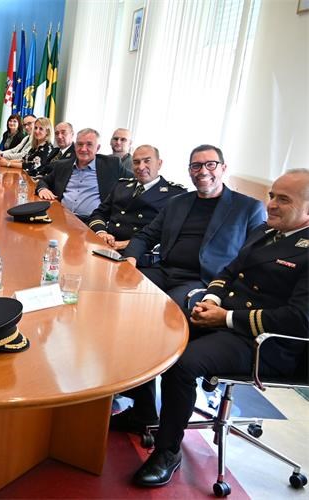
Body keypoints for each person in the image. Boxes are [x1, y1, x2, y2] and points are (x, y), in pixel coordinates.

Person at [131, 168, 309, 488]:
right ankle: (143, 412)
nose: (271, 204)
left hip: (264, 343)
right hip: (227, 318)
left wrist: (225, 317)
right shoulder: (266, 231)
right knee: (154, 329)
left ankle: (167, 452)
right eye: (272, 196)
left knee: (183, 364)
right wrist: (210, 300)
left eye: (284, 199)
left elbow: (298, 319)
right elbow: (228, 271)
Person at [112, 145, 265, 436]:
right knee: (117, 299)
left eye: (210, 164)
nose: (203, 171)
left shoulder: (248, 208)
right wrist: (130, 258)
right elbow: (146, 235)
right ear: (189, 171)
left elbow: (252, 259)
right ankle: (137, 398)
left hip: (204, 282)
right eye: (196, 166)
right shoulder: (178, 202)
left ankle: (144, 412)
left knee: (155, 319)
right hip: (164, 271)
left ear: (223, 167)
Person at [88, 145, 185, 250]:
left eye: (147, 161)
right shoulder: (121, 185)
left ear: (159, 163)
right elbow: (99, 213)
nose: (141, 167)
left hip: (140, 252)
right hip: (107, 244)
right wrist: (101, 232)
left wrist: (127, 244)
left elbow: (168, 233)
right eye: (136, 162)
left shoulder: (175, 194)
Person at [36, 128, 131, 222]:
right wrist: (42, 189)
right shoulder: (63, 165)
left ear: (97, 148)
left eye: (89, 144)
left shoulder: (111, 165)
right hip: (61, 218)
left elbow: (135, 180)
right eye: (80, 144)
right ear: (75, 146)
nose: (83, 149)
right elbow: (44, 180)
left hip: (91, 223)